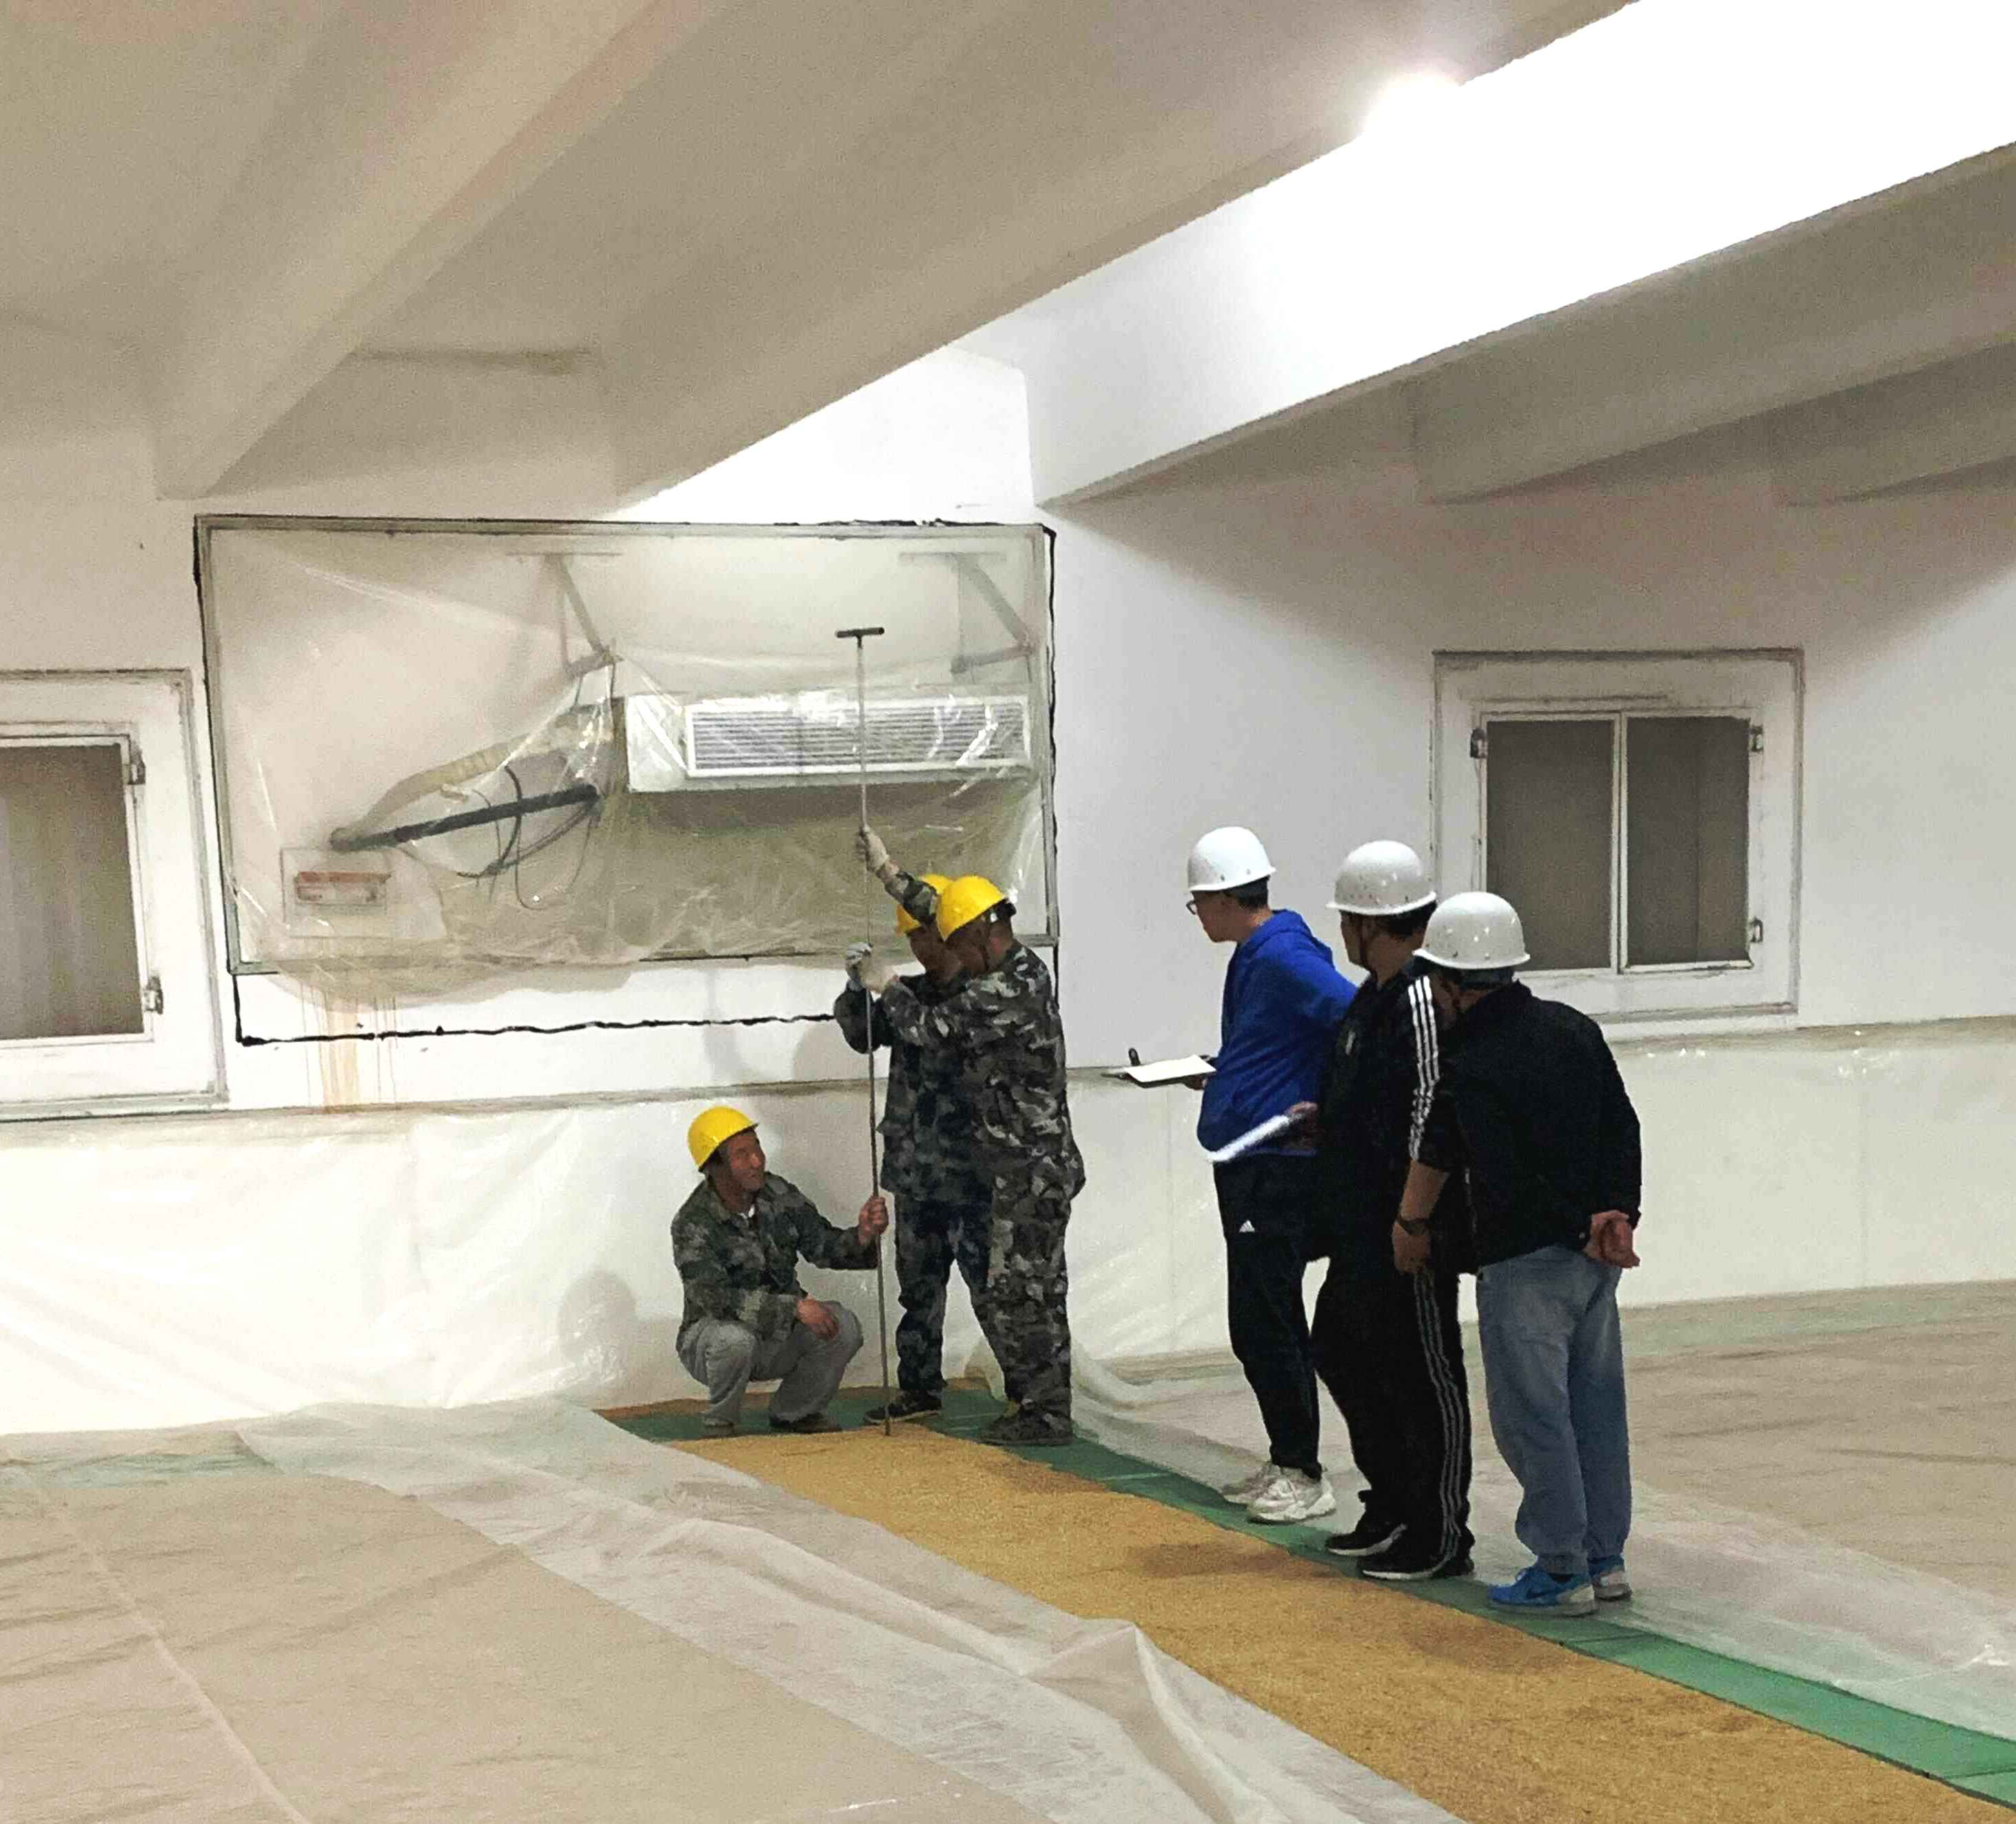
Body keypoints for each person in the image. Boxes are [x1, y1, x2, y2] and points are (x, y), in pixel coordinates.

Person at [1396, 892, 1643, 1613]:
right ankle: (1604, 1555)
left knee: (1533, 1415)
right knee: (1595, 1408)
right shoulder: (1573, 1029)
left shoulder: (1472, 1059)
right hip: (1595, 1259)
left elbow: (1494, 1169)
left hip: (1525, 1262)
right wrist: (1615, 1217)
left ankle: (1562, 1566)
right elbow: (1622, 1129)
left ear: (1452, 983)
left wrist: (1413, 1225)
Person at [851, 834, 1083, 1446]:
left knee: (1024, 1293)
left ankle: (1045, 1411)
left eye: (958, 946)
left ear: (983, 936)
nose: (953, 956)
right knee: (1018, 1289)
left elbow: (927, 1028)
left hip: (1031, 1169)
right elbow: (943, 910)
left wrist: (886, 985)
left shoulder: (1005, 990)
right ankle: (1038, 1404)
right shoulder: (1007, 959)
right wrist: (888, 872)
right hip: (1018, 1169)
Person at [1301, 840, 1474, 1581]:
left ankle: (1440, 1529)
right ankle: (1394, 1500)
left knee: (1422, 1372)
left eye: (1347, 919)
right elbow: (1372, 1099)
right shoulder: (1371, 999)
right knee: (1341, 1346)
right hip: (1360, 1225)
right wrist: (1326, 1122)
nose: (1343, 932)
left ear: (1370, 924)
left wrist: (1414, 1219)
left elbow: (1433, 1109)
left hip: (1407, 1228)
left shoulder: (1421, 999)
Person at [1188, 826, 1356, 1526]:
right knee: (1255, 1320)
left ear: (1227, 899)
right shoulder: (1257, 955)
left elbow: (1356, 1019)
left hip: (1278, 1165)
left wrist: (1326, 1104)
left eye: (1199, 903)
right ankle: (1286, 1456)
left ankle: (1304, 1471)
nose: (1197, 915)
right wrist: (1229, 1075)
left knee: (1269, 1319)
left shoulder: (1284, 955)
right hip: (1250, 1155)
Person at [834, 872, 994, 1422]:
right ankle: (919, 1387)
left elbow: (932, 1033)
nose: (920, 946)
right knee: (919, 1290)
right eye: (912, 938)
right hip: (917, 1175)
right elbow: (863, 1036)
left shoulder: (979, 995)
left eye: (925, 934)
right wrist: (856, 989)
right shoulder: (911, 993)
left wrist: (888, 989)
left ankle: (1028, 1394)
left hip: (971, 1175)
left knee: (990, 1288)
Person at [672, 1105, 890, 1435]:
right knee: (734, 1340)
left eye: (757, 1148)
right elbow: (715, 1298)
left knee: (843, 1326)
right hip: (713, 1339)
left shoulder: (779, 1193)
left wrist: (862, 1235)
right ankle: (720, 1422)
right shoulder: (693, 1221)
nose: (756, 1161)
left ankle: (796, 1414)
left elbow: (822, 1245)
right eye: (742, 1155)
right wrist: (794, 1308)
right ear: (714, 1167)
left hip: (777, 1334)